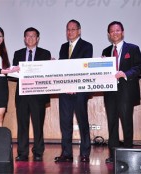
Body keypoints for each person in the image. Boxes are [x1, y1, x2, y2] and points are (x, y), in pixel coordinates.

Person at [101, 21, 141, 163]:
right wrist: (100, 65)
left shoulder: (133, 48)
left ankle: (127, 153)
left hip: (126, 91)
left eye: (118, 30)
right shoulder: (106, 51)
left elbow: (139, 67)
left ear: (123, 32)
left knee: (126, 122)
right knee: (112, 123)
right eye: (112, 31)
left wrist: (124, 74)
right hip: (110, 93)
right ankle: (113, 155)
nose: (115, 33)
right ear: (109, 34)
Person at [54, 19, 93, 163]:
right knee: (65, 123)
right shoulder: (63, 47)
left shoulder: (87, 46)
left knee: (83, 122)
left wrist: (74, 85)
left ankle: (84, 153)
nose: (70, 32)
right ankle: (66, 153)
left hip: (79, 91)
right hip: (64, 91)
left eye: (73, 29)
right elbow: (63, 68)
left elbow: (84, 67)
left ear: (79, 31)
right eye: (68, 29)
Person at [13, 27, 51, 161]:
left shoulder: (45, 54)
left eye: (33, 36)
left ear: (38, 39)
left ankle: (38, 151)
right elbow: (14, 74)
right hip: (22, 96)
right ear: (24, 39)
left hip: (38, 96)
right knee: (22, 125)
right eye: (27, 36)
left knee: (38, 125)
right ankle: (22, 152)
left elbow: (47, 74)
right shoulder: (17, 54)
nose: (30, 38)